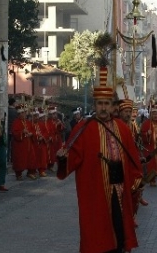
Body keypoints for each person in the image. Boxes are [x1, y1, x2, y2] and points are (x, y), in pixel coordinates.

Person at [56, 66, 143, 253]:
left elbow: (133, 157)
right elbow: (72, 156)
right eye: (99, 103)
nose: (103, 107)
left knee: (119, 230)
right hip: (95, 190)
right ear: (94, 106)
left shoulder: (123, 128)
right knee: (97, 232)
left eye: (107, 103)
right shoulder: (83, 128)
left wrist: (136, 179)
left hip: (119, 189)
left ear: (113, 106)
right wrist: (64, 158)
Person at [11, 105, 32, 181]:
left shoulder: (28, 122)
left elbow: (31, 130)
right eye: (22, 113)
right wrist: (22, 132)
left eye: (25, 113)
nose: (24, 114)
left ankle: (30, 172)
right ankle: (18, 174)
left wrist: (30, 134)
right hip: (19, 144)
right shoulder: (15, 122)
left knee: (29, 158)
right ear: (19, 114)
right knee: (19, 159)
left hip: (27, 143)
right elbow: (14, 133)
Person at [7, 98, 18, 163]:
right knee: (13, 146)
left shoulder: (7, 110)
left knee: (8, 145)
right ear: (13, 103)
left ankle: (7, 158)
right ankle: (12, 159)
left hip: (8, 129)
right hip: (13, 130)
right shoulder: (15, 111)